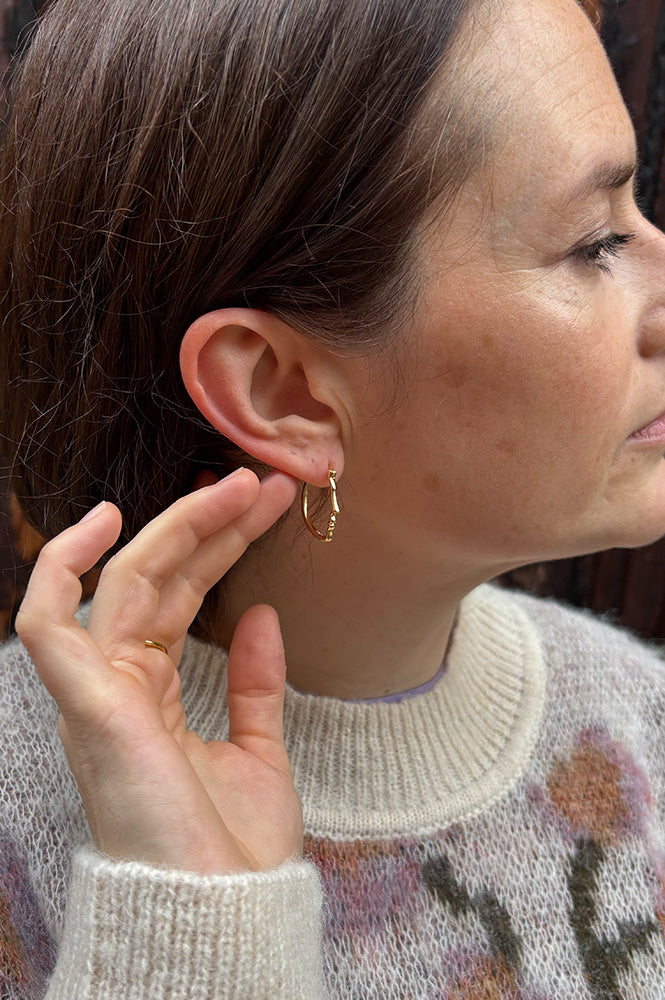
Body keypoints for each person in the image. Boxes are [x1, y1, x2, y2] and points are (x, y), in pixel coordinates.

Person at [1, 0, 665, 995]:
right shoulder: (21, 821)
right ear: (284, 392)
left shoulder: (638, 722)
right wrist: (188, 926)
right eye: (590, 241)